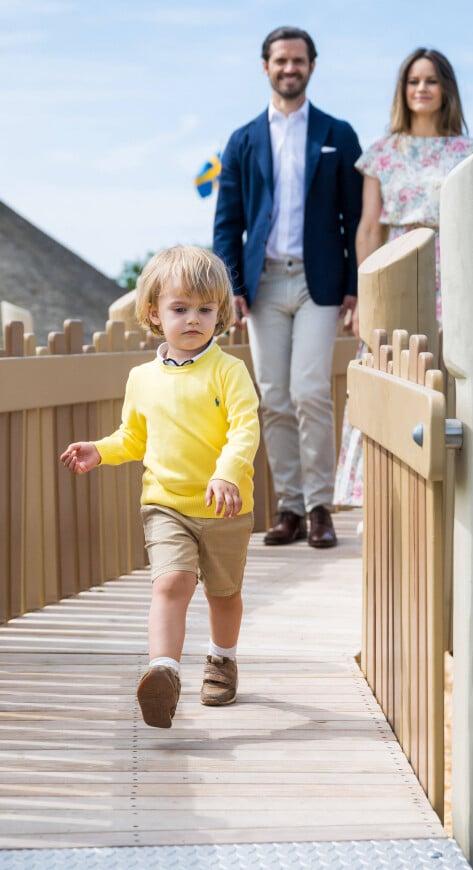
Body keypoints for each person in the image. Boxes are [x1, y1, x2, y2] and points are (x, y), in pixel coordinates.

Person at [60, 246, 260, 729]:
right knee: (171, 583)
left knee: (224, 594)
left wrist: (226, 472)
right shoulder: (142, 378)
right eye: (180, 309)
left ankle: (222, 660)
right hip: (165, 504)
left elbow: (245, 428)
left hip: (224, 506)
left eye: (205, 310)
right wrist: (101, 450)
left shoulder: (229, 371)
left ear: (220, 314)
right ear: (153, 312)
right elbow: (134, 436)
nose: (194, 320)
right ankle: (164, 671)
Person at [213, 26, 362, 549]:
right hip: (263, 284)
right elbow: (227, 221)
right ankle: (290, 509)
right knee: (272, 397)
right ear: (266, 66)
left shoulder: (338, 134)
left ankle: (322, 507)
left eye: (298, 60)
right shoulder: (243, 139)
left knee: (310, 390)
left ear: (312, 67)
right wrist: (231, 284)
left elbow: (357, 216)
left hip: (320, 281)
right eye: (280, 61)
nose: (289, 68)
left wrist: (355, 285)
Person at [334, 47, 473, 507]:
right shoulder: (382, 152)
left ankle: (450, 491)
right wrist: (364, 293)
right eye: (413, 81)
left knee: (444, 373)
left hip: (451, 274)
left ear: (446, 89)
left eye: (432, 81)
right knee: (387, 370)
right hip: (395, 269)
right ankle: (377, 493)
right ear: (403, 90)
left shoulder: (470, 153)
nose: (422, 89)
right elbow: (368, 227)